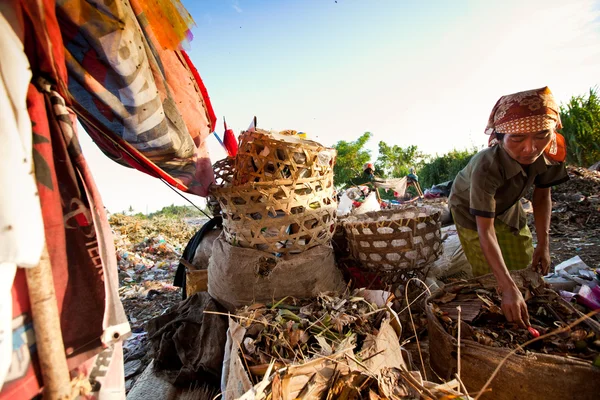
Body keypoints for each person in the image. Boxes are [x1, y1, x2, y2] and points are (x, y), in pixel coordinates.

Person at [448, 87, 569, 327]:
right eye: (517, 138)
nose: (530, 148)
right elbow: (485, 230)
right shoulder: (486, 165)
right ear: (500, 137)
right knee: (490, 277)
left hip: (508, 204)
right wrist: (507, 288)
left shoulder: (551, 152)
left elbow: (542, 196)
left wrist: (543, 245)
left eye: (541, 135)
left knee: (523, 261)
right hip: (470, 211)